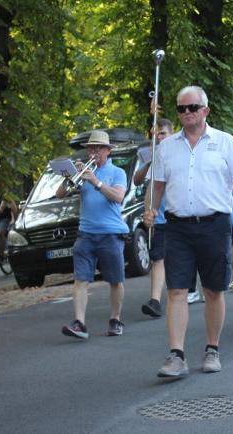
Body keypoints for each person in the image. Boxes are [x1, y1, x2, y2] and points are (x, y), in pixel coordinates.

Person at [149, 86, 233, 378]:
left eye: (192, 107)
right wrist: (151, 209)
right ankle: (176, 355)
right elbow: (157, 185)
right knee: (177, 290)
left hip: (214, 225)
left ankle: (212, 348)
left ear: (205, 110)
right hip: (177, 226)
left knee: (213, 290)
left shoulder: (225, 142)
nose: (186, 113)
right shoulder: (167, 146)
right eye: (181, 108)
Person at [57, 130, 130, 340]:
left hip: (111, 233)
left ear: (107, 151)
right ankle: (79, 323)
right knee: (80, 279)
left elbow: (118, 197)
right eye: (90, 148)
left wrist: (96, 181)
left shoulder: (117, 172)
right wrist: (69, 177)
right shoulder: (83, 174)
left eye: (97, 148)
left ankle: (115, 319)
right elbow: (60, 194)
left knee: (115, 280)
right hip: (86, 234)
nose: (93, 152)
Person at [134, 119, 174, 318]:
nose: (159, 137)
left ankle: (187, 290)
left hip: (178, 215)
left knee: (179, 258)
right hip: (159, 216)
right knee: (158, 258)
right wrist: (149, 162)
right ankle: (155, 300)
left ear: (172, 134)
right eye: (156, 134)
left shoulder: (177, 152)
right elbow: (137, 180)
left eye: (163, 133)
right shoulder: (150, 154)